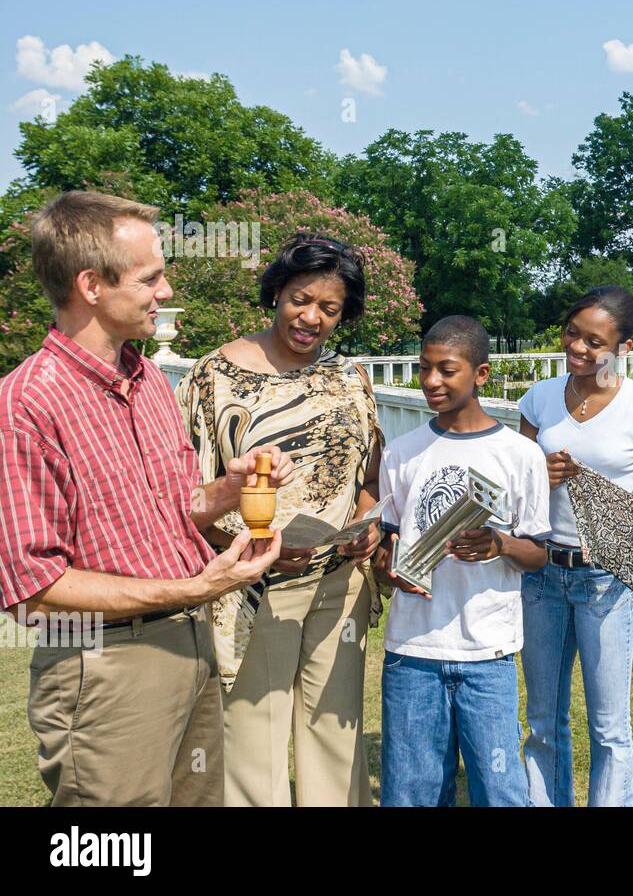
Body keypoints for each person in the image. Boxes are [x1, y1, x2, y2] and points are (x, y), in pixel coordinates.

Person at [0, 190, 290, 806]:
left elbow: (172, 509)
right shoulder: (26, 405)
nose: (164, 292)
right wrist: (192, 590)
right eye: (151, 277)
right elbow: (33, 593)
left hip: (189, 645)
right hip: (104, 667)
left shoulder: (150, 379)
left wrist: (229, 490)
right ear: (91, 285)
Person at [175, 233, 384, 807]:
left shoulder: (350, 380)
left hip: (339, 584)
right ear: (275, 293)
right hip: (252, 586)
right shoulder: (212, 377)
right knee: (252, 743)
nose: (311, 317)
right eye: (300, 299)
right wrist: (244, 548)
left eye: (329, 308)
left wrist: (368, 525)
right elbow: (188, 497)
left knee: (335, 740)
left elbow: (370, 479)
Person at [373, 315, 550, 807]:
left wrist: (500, 545)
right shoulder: (403, 453)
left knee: (500, 790)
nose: (431, 381)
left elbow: (538, 554)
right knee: (411, 791)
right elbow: (387, 548)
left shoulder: (520, 455)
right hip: (413, 651)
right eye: (425, 368)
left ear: (482, 374)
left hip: (488, 652)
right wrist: (390, 570)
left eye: (446, 370)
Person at [517, 285, 633, 807]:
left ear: (624, 348)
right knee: (544, 718)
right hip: (541, 572)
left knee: (610, 726)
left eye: (595, 341)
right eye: (572, 333)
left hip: (606, 576)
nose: (579, 348)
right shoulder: (539, 398)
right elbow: (516, 485)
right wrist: (539, 474)